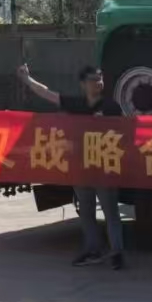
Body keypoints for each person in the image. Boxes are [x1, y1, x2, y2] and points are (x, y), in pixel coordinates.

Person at [18, 63, 127, 270]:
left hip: (104, 168)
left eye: (100, 79)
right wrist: (27, 80)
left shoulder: (111, 107)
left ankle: (117, 253)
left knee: (111, 212)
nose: (98, 83)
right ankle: (93, 249)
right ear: (83, 84)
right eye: (93, 80)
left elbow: (125, 132)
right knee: (86, 212)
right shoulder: (76, 104)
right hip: (81, 169)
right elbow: (48, 94)